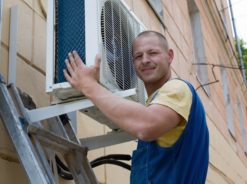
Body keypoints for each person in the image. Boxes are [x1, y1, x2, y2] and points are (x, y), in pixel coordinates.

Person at [63, 31, 209, 184]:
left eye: (153, 53)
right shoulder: (153, 104)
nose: (145, 60)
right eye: (139, 56)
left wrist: (89, 86)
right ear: (133, 62)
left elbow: (147, 125)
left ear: (170, 56)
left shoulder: (178, 88)